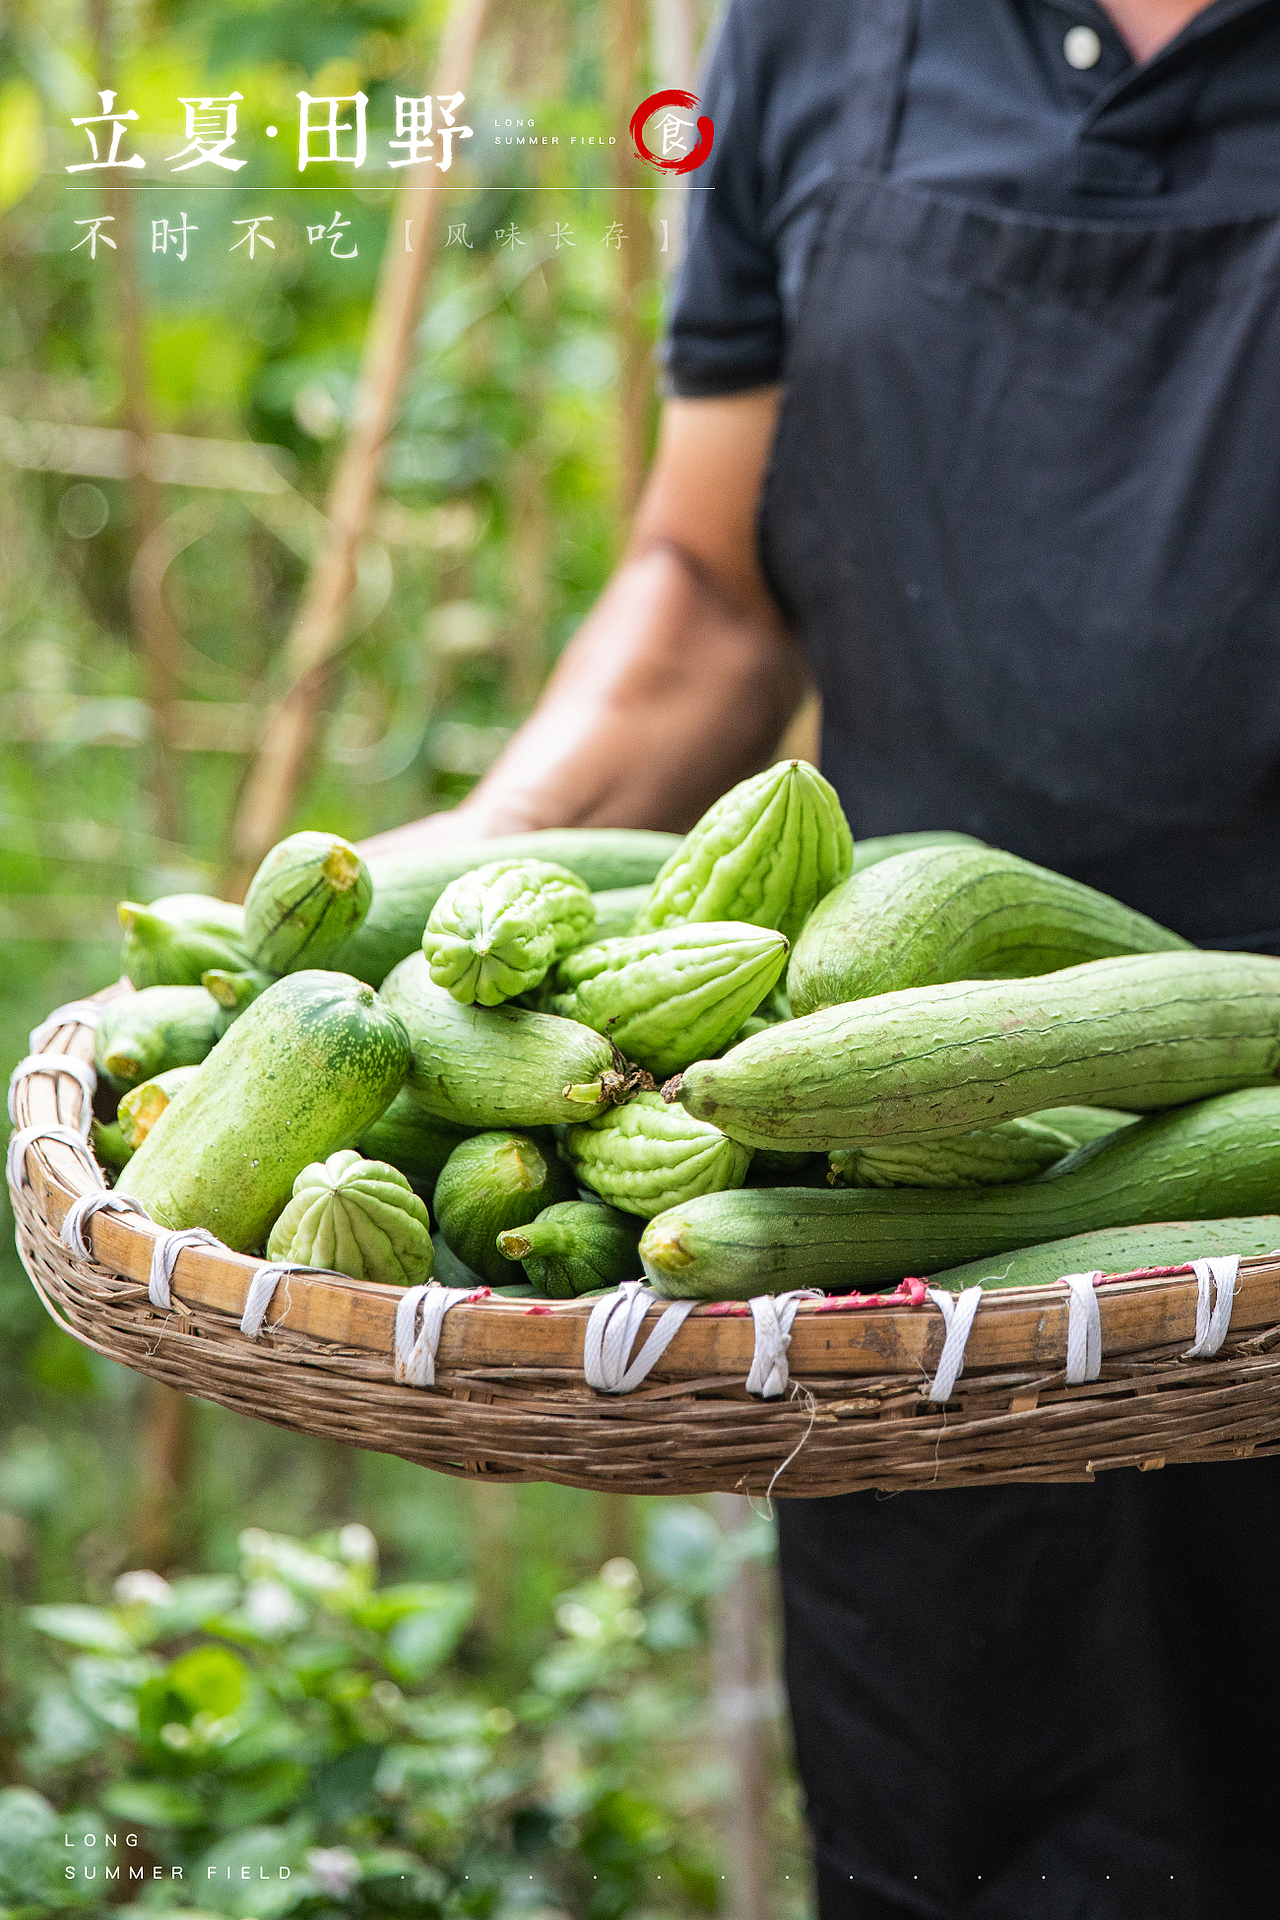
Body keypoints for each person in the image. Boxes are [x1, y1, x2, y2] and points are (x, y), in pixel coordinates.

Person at [366, 2, 1280, 1912]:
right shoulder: (815, 28)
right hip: (900, 1269)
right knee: (970, 1852)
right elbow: (709, 585)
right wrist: (444, 904)